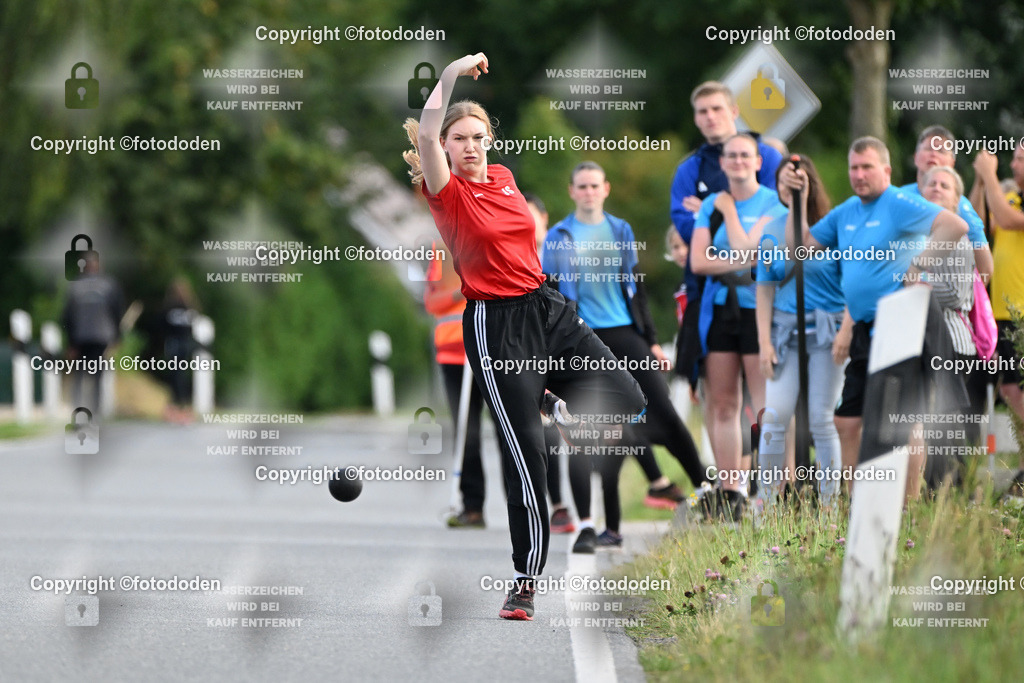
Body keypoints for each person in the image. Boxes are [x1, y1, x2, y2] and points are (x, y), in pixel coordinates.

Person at [403, 53, 646, 621]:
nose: (469, 146)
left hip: (548, 307)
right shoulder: (448, 195)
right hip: (497, 326)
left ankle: (550, 399)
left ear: (491, 139)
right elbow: (431, 127)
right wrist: (452, 75)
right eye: (458, 138)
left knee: (628, 398)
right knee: (527, 457)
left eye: (478, 137)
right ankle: (525, 581)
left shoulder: (508, 180)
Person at [784, 136, 969, 501]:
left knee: (903, 419)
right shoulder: (848, 211)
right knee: (847, 420)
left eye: (867, 167)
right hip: (866, 327)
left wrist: (919, 264)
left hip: (903, 319)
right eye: (854, 167)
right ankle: (855, 503)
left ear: (886, 170)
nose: (858, 174)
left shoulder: (899, 202)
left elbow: (953, 226)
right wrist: (799, 201)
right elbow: (802, 248)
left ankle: (908, 505)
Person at [543, 161, 710, 549]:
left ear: (606, 189)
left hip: (625, 332)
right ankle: (591, 524)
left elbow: (634, 288)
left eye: (594, 185)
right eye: (581, 186)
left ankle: (708, 490)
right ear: (572, 191)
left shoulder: (620, 230)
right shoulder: (558, 236)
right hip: (581, 338)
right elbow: (549, 295)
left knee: (662, 412)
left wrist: (650, 339)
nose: (588, 192)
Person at [689, 133, 786, 520]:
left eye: (746, 155)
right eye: (731, 155)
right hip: (720, 310)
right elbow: (698, 262)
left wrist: (730, 219)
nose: (738, 161)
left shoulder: (773, 202)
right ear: (723, 162)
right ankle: (732, 491)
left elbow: (756, 253)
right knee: (724, 403)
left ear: (759, 162)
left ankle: (771, 488)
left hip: (760, 311)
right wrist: (739, 260)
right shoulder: (711, 203)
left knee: (764, 406)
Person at [669, 81, 784, 386]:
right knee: (717, 397)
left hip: (767, 290)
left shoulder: (768, 156)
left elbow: (777, 217)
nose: (710, 117)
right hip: (709, 292)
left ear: (734, 111)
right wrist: (727, 222)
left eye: (717, 108)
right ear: (695, 118)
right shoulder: (690, 169)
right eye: (702, 111)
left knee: (769, 394)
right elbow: (685, 225)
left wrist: (709, 213)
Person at [754, 155, 848, 510]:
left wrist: (846, 333)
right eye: (781, 183)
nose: (788, 188)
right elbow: (765, 287)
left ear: (810, 183)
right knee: (775, 418)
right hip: (784, 333)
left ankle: (828, 505)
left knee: (823, 420)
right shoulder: (771, 230)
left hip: (828, 332)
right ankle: (766, 504)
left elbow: (852, 284)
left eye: (795, 182)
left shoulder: (834, 226)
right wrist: (764, 342)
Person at [919, 165, 983, 480]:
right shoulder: (915, 237)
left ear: (956, 200)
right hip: (920, 342)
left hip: (953, 343)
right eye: (931, 184)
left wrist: (914, 278)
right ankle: (927, 493)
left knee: (945, 424)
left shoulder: (959, 240)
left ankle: (948, 494)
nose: (936, 188)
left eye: (945, 185)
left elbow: (955, 295)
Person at [524, 192, 576, 535]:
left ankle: (559, 504)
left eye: (530, 217)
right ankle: (538, 503)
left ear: (544, 218)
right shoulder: (511, 253)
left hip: (553, 345)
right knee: (527, 430)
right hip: (519, 349)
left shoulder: (558, 254)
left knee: (553, 424)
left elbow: (570, 300)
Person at [971, 144, 1024, 427]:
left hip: (1022, 312)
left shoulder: (1010, 207)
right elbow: (979, 224)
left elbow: (1006, 219)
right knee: (1010, 388)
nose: (1013, 165)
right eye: (1013, 158)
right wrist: (980, 183)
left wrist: (989, 173)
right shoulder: (1012, 198)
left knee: (1017, 389)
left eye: (1020, 160)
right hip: (1003, 311)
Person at [900, 125, 993, 283]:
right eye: (928, 148)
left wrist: (962, 300)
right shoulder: (898, 197)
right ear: (915, 157)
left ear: (952, 162)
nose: (933, 154)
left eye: (941, 151)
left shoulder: (959, 206)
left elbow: (986, 269)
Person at [62, 251, 125, 415]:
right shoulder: (109, 285)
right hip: (100, 336)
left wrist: (70, 342)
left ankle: (79, 412)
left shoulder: (75, 285)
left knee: (79, 377)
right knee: (96, 377)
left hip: (80, 338)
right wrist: (117, 337)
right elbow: (117, 312)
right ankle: (94, 414)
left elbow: (67, 316)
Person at [161, 277, 200, 424]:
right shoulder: (172, 308)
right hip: (175, 345)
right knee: (175, 376)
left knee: (179, 377)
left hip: (182, 346)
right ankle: (176, 407)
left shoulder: (188, 308)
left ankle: (181, 407)